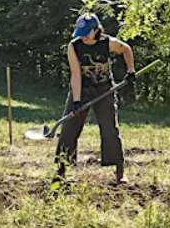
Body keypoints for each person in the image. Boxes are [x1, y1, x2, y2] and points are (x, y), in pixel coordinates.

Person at [54, 13, 136, 184]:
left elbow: (126, 49)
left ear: (95, 30)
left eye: (86, 33)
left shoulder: (108, 43)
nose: (83, 36)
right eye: (80, 32)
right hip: (82, 90)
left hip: (104, 89)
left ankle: (120, 171)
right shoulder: (74, 46)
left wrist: (130, 72)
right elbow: (76, 74)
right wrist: (76, 102)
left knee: (109, 129)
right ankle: (61, 170)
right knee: (69, 128)